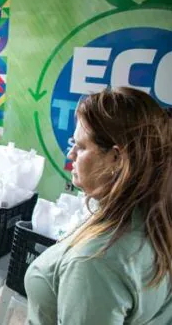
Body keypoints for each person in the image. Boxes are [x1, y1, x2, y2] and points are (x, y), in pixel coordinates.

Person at [25, 87, 172, 324]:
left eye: (81, 146)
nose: (70, 153)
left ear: (116, 158)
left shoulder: (95, 262)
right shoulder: (156, 214)